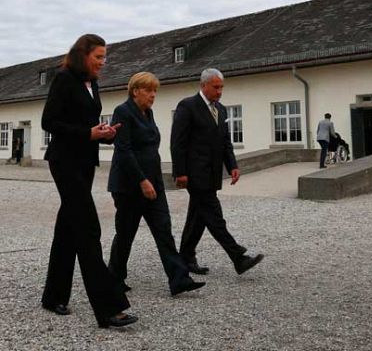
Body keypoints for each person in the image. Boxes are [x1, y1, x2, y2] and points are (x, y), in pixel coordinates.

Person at [40, 34, 137, 328]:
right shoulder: (64, 78)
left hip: (85, 163)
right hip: (65, 162)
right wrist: (87, 134)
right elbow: (49, 122)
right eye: (99, 57)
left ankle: (53, 296)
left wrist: (104, 134)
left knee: (68, 228)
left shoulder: (91, 83)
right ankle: (108, 308)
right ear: (83, 55)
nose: (103, 63)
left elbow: (86, 123)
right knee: (88, 228)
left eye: (104, 58)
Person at [107, 72, 206, 296]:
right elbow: (124, 151)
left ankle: (179, 279)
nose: (153, 95)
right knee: (125, 233)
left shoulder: (148, 113)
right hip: (129, 186)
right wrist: (142, 181)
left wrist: (154, 181)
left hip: (154, 183)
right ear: (135, 91)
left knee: (164, 230)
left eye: (155, 91)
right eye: (149, 90)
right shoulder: (123, 112)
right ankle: (114, 279)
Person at [170, 68, 263, 276]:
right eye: (216, 87)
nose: (220, 91)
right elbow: (178, 143)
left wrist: (233, 166)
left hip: (212, 173)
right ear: (203, 86)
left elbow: (225, 142)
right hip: (195, 174)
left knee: (198, 217)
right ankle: (238, 257)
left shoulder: (220, 109)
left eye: (221, 87)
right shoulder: (188, 106)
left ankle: (185, 257)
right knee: (214, 216)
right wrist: (180, 172)